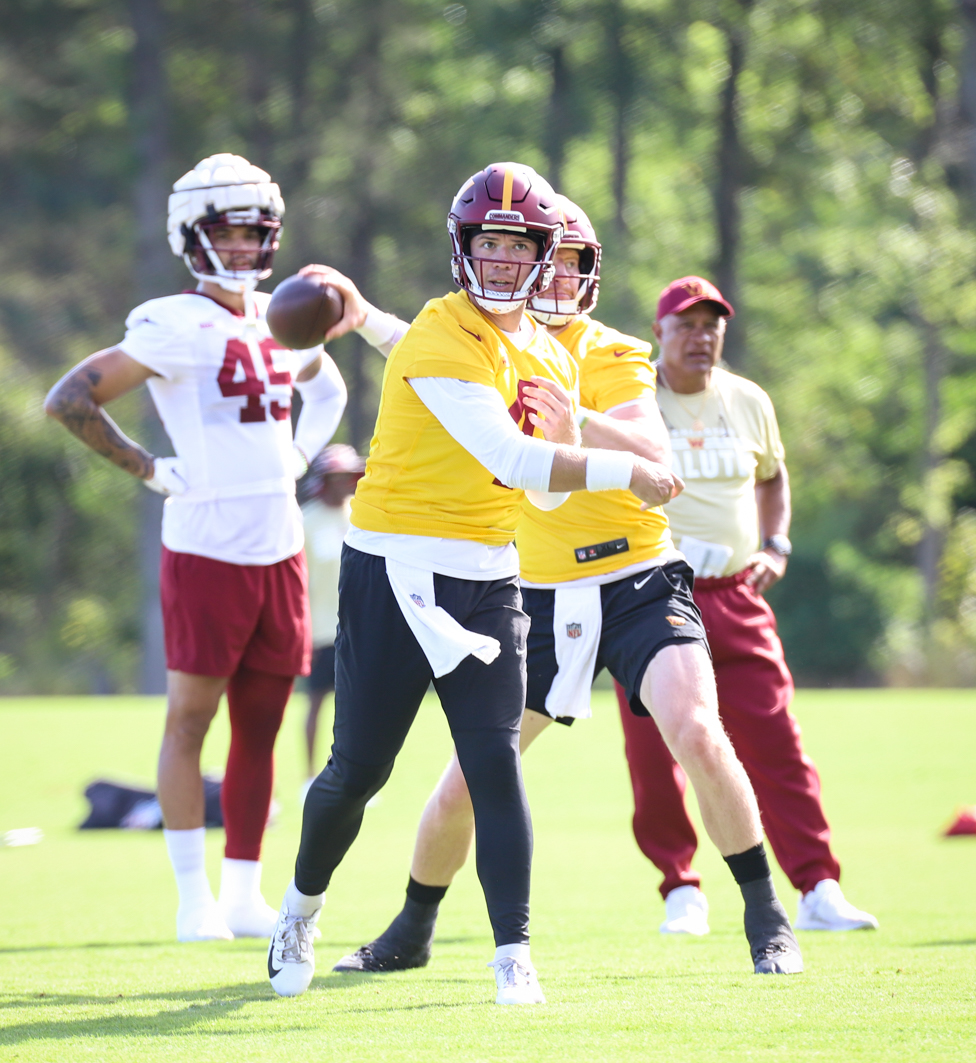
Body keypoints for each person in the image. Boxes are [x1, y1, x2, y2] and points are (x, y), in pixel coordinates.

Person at [329, 198, 805, 980]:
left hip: (638, 578)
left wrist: (571, 416)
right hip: (541, 594)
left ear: (587, 273)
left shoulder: (609, 349)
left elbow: (653, 445)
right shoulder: (487, 343)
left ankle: (766, 915)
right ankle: (412, 927)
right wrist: (365, 313)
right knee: (466, 783)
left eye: (576, 262)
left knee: (695, 728)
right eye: (553, 259)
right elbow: (423, 354)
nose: (559, 275)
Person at [266, 163, 679, 1005]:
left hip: (488, 576)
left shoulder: (542, 353)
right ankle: (300, 909)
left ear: (541, 252)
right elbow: (511, 456)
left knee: (493, 761)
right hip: (396, 570)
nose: (497, 259)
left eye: (514, 243)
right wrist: (626, 471)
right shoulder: (436, 330)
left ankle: (512, 953)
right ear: (464, 248)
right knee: (359, 769)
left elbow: (545, 488)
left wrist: (587, 458)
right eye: (485, 242)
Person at [45, 153, 347, 942]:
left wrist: (299, 452)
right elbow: (69, 397)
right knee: (191, 718)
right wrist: (148, 468)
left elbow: (330, 388)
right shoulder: (172, 322)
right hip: (206, 542)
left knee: (263, 723)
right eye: (229, 231)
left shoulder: (278, 316)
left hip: (278, 544)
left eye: (257, 233)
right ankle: (192, 898)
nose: (246, 247)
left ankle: (244, 891)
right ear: (192, 235)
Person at [616, 275, 878, 936]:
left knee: (777, 743)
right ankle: (681, 886)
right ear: (660, 332)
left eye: (712, 326)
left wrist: (776, 544)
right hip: (652, 594)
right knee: (654, 750)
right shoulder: (633, 401)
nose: (700, 337)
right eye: (687, 325)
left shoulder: (748, 399)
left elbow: (773, 475)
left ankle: (818, 885)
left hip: (736, 593)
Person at [298, 443, 365, 787]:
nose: (344, 483)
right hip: (320, 629)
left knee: (359, 706)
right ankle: (311, 777)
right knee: (317, 702)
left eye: (349, 476)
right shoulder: (305, 521)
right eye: (337, 477)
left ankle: (355, 777)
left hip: (360, 628)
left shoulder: (362, 513)